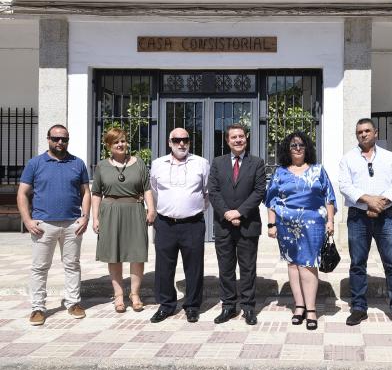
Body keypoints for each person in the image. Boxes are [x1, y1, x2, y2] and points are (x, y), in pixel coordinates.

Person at [339, 118, 392, 330]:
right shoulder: (348, 159)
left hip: (385, 215)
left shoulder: (389, 158)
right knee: (357, 263)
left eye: (367, 131)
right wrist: (367, 200)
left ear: (376, 133)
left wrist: (380, 202)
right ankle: (359, 308)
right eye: (359, 132)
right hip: (358, 217)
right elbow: (345, 185)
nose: (363, 134)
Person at [17, 124, 91, 326]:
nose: (60, 142)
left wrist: (85, 217)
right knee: (40, 267)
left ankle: (73, 303)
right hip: (43, 225)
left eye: (64, 139)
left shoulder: (77, 163)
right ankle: (38, 308)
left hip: (71, 224)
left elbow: (86, 192)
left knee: (72, 265)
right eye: (56, 138)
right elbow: (22, 193)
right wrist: (27, 220)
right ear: (48, 139)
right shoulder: (35, 163)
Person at [265, 131, 336, 330]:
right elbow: (271, 200)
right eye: (293, 146)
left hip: (313, 224)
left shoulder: (318, 170)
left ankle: (311, 309)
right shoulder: (280, 172)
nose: (297, 149)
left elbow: (329, 197)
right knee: (293, 265)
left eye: (301, 145)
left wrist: (330, 221)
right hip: (286, 225)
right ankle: (299, 306)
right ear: (287, 149)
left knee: (309, 264)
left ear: (307, 149)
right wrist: (271, 224)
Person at [91, 128, 156, 313]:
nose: (120, 144)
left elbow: (147, 189)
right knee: (114, 255)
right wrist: (95, 218)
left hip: (135, 210)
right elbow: (96, 193)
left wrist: (151, 209)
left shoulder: (139, 163)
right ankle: (118, 295)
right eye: (116, 142)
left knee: (137, 254)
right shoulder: (102, 166)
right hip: (110, 212)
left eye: (123, 141)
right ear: (109, 146)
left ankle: (134, 294)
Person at [149, 128, 210, 323]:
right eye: (176, 140)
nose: (181, 144)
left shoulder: (201, 163)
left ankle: (192, 306)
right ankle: (166, 305)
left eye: (185, 140)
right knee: (164, 267)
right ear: (169, 142)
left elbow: (207, 192)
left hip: (192, 223)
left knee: (194, 267)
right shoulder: (157, 164)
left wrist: (192, 208)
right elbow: (154, 191)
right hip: (165, 223)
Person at [209, 124, 266, 326]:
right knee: (225, 268)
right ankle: (228, 306)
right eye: (234, 137)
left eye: (241, 136)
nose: (238, 140)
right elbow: (213, 192)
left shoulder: (257, 163)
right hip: (223, 225)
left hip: (247, 224)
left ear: (247, 138)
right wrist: (227, 213)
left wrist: (239, 212)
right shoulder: (217, 163)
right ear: (227, 140)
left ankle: (249, 308)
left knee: (248, 268)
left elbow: (259, 192)